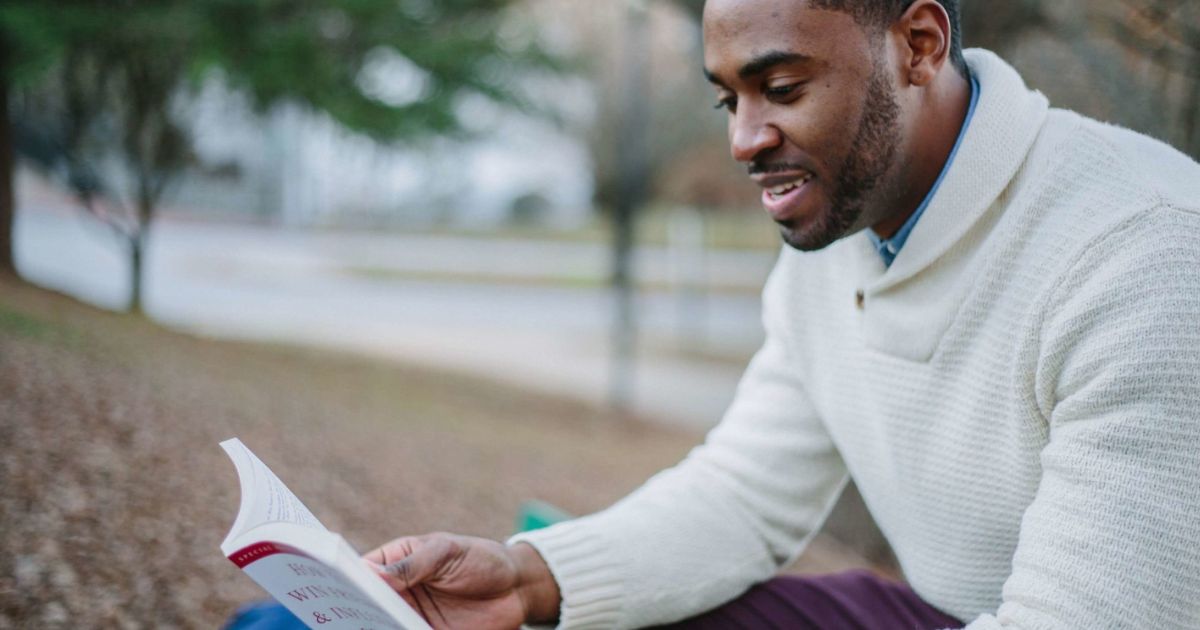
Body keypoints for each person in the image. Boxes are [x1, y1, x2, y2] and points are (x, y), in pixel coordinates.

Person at [365, 0, 1200, 628]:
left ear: (918, 45)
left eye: (782, 88)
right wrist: (523, 580)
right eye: (729, 100)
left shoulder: (1141, 253)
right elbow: (744, 498)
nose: (744, 140)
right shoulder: (842, 231)